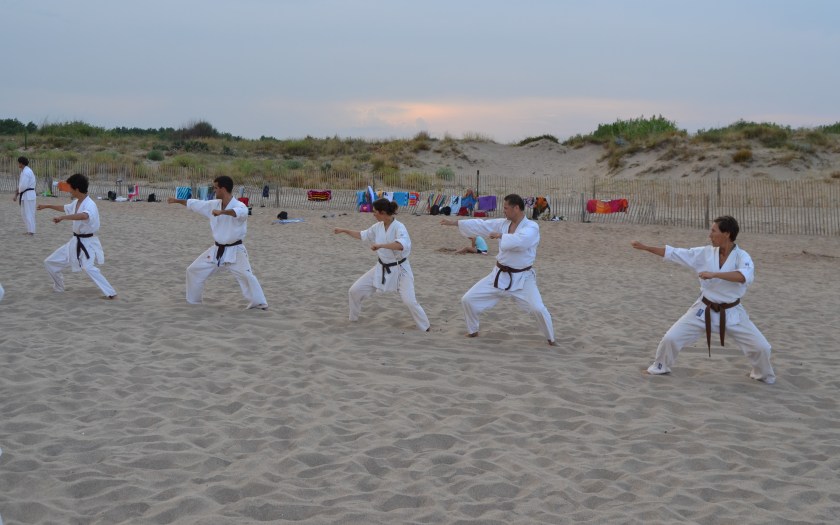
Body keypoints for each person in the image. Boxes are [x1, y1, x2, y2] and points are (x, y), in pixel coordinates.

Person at [631, 215, 775, 384]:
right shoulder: (705, 253)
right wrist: (646, 247)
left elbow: (743, 276)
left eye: (713, 231)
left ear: (727, 234)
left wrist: (715, 274)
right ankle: (660, 367)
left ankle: (762, 375)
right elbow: (675, 253)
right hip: (703, 309)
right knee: (671, 338)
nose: (710, 235)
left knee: (762, 348)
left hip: (732, 312)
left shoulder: (742, 257)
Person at [441, 194, 556, 345]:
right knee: (468, 299)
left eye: (506, 208)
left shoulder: (531, 227)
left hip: (523, 278)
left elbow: (521, 241)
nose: (504, 211)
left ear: (516, 208)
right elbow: (481, 225)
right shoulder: (503, 223)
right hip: (498, 275)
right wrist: (455, 223)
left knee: (538, 309)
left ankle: (551, 339)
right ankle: (473, 331)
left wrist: (502, 236)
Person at [167, 176, 268, 310]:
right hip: (217, 249)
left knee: (246, 276)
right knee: (193, 270)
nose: (214, 190)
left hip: (235, 250)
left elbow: (239, 213)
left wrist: (222, 212)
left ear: (223, 189)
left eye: (215, 188)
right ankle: (194, 302)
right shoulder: (213, 205)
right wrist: (176, 200)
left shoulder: (239, 205)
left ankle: (259, 303)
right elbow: (195, 204)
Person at [334, 198, 430, 331]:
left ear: (383, 212)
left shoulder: (399, 227)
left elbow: (401, 245)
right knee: (354, 291)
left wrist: (381, 245)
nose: (373, 214)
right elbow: (362, 235)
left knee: (409, 301)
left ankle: (425, 327)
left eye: (375, 212)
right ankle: (353, 319)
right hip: (381, 267)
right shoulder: (378, 226)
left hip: (401, 269)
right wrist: (344, 230)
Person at [37, 173, 117, 298]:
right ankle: (59, 288)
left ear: (77, 189)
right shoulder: (76, 202)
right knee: (50, 262)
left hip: (88, 243)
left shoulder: (90, 204)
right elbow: (64, 208)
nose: (69, 191)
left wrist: (63, 218)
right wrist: (47, 206)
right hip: (75, 241)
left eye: (70, 188)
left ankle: (111, 293)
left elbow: (84, 216)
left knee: (88, 267)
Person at [15, 156, 37, 235]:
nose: (18, 164)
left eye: (19, 163)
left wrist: (17, 192)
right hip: (26, 194)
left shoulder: (27, 172)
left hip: (28, 194)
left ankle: (31, 231)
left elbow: (23, 186)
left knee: (29, 213)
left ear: (21, 163)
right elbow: (22, 185)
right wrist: (18, 192)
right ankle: (30, 230)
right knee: (25, 213)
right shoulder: (25, 171)